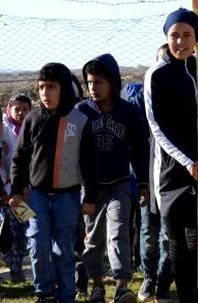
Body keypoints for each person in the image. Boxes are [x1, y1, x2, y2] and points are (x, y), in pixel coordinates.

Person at [10, 62, 97, 303]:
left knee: (64, 251)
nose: (45, 93)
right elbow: (19, 157)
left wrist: (89, 197)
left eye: (51, 87)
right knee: (37, 244)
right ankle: (45, 294)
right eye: (41, 87)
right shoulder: (32, 119)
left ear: (64, 88)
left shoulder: (80, 120)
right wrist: (17, 189)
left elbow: (89, 164)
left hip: (68, 197)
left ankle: (66, 295)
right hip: (36, 197)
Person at [144, 8, 198, 303]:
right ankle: (185, 295)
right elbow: (157, 126)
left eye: (187, 35)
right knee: (178, 243)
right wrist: (186, 160)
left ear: (197, 37)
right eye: (174, 36)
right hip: (174, 173)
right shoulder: (157, 74)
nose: (181, 42)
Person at [77, 54, 149, 303]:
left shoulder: (127, 112)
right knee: (94, 239)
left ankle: (121, 286)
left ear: (113, 83)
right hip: (91, 187)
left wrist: (142, 182)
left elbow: (140, 149)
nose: (93, 88)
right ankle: (97, 286)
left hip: (120, 183)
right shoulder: (81, 111)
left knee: (119, 233)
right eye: (89, 83)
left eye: (99, 82)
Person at [120, 79, 173, 303]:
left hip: (171, 183)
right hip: (146, 183)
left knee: (167, 236)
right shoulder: (137, 105)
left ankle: (163, 281)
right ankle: (149, 277)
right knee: (149, 233)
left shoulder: (176, 105)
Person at [1, 93, 33, 282]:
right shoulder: (4, 131)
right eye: (17, 109)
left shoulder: (33, 128)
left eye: (25, 109)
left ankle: (16, 265)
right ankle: (15, 269)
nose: (21, 113)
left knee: (23, 232)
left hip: (28, 191)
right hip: (9, 193)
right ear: (9, 110)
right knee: (12, 232)